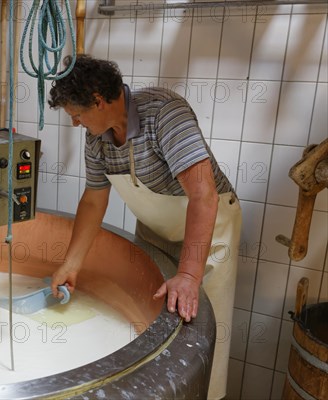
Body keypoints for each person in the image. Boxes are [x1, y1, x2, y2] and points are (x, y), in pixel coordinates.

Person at [48, 54, 242, 400]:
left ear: (98, 99)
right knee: (154, 325)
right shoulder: (98, 138)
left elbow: (203, 195)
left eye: (77, 115)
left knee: (198, 334)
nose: (75, 123)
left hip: (209, 236)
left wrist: (189, 275)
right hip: (156, 229)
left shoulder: (164, 113)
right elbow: (93, 200)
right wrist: (71, 264)